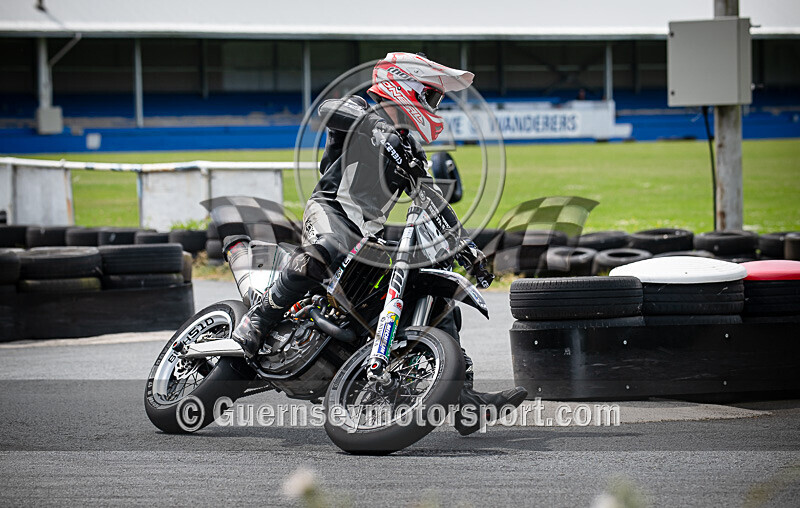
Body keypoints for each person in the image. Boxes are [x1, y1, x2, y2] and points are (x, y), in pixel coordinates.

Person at [230, 52, 527, 435]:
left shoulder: (408, 150)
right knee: (332, 247)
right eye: (431, 96)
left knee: (436, 292)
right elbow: (328, 108)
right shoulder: (359, 110)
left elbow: (434, 202)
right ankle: (260, 317)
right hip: (331, 211)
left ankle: (461, 401)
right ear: (406, 85)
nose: (434, 107)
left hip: (368, 234)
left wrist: (469, 252)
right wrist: (372, 125)